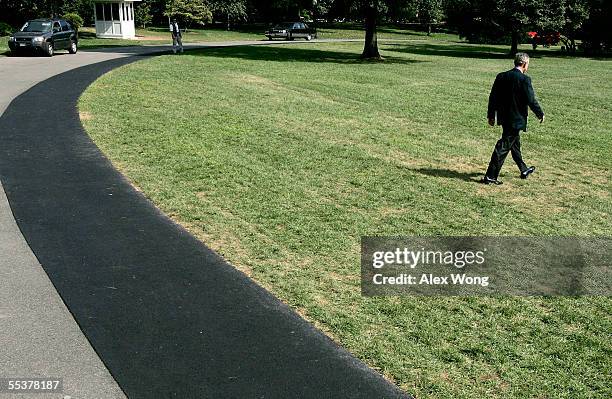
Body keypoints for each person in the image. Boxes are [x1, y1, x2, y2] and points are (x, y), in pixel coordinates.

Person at [483, 52, 544, 185]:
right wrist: (540, 113)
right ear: (524, 64)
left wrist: (491, 115)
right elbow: (531, 100)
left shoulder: (501, 76)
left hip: (504, 117)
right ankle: (490, 176)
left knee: (514, 144)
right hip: (516, 119)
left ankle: (523, 169)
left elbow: (493, 97)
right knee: (504, 146)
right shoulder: (524, 80)